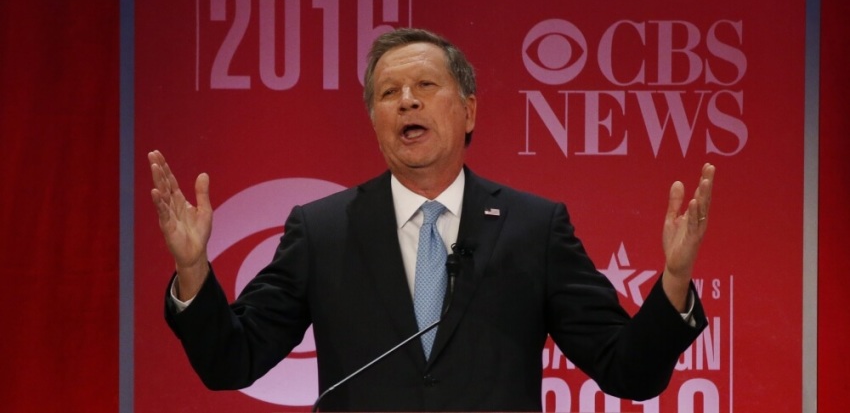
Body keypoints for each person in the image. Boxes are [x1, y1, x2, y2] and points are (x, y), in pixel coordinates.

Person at [149, 28, 715, 412]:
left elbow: (628, 373)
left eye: (425, 86)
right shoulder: (321, 231)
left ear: (468, 111)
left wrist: (673, 281)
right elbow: (232, 361)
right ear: (373, 119)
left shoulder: (532, 227)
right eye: (388, 92)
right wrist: (193, 269)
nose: (406, 102)